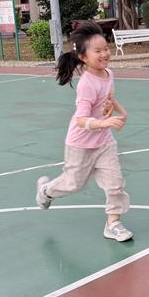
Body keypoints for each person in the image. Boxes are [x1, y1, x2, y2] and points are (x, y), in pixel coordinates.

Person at [35, 23, 133, 242]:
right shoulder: (86, 84)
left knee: (115, 183)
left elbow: (109, 97)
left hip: (104, 142)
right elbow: (80, 120)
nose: (104, 53)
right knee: (74, 184)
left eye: (106, 48)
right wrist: (105, 123)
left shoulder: (109, 73)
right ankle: (46, 191)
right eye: (97, 51)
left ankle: (113, 223)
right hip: (80, 144)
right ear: (83, 57)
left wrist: (122, 112)